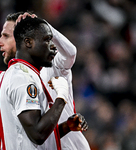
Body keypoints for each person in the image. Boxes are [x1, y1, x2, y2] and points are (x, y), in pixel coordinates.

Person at [0, 12, 91, 149]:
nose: (52, 45)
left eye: (6, 36)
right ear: (26, 40)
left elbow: (31, 138)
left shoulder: (40, 69)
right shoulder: (22, 77)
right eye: (47, 39)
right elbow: (37, 134)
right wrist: (61, 96)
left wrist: (66, 126)